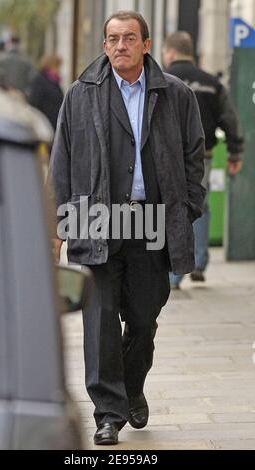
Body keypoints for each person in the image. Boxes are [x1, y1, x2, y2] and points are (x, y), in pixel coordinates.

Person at [49, 11, 205, 446]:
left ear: (146, 44)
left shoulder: (176, 95)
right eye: (113, 38)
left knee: (143, 318)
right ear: (104, 46)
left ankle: (132, 385)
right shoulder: (80, 94)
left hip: (150, 219)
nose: (120, 45)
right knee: (98, 322)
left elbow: (195, 154)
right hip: (93, 218)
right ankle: (108, 412)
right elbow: (61, 162)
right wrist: (56, 229)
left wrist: (189, 206)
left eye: (129, 38)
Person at [163, 31, 244, 288]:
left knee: (170, 208)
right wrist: (235, 151)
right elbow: (230, 119)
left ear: (170, 53)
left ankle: (174, 273)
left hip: (167, 158)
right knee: (201, 207)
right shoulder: (211, 83)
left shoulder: (161, 81)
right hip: (204, 156)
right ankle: (198, 262)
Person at [27, 54, 64, 131]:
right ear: (50, 66)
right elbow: (34, 102)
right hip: (44, 125)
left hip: (53, 125)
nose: (59, 70)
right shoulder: (40, 80)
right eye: (57, 66)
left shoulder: (54, 81)